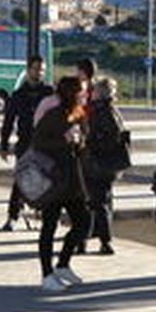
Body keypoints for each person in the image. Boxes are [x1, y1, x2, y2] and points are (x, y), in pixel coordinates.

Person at [34, 75, 90, 292]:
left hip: (73, 178)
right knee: (49, 226)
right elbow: (38, 141)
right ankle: (46, 274)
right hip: (54, 180)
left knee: (84, 221)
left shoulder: (78, 113)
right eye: (81, 92)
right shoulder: (54, 115)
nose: (85, 95)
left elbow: (84, 139)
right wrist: (64, 141)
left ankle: (63, 264)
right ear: (71, 94)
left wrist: (81, 142)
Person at [0, 55, 51, 231]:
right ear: (29, 70)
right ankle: (13, 215)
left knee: (46, 180)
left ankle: (45, 216)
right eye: (36, 69)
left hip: (45, 144)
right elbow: (8, 121)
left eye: (42, 70)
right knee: (20, 181)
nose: (40, 73)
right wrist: (4, 145)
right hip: (25, 143)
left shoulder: (49, 93)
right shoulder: (19, 95)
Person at [82, 76, 128, 255]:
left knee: (91, 202)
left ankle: (90, 239)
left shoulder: (96, 112)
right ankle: (104, 239)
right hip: (110, 164)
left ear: (99, 93)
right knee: (104, 201)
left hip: (95, 162)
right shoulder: (114, 111)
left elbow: (89, 135)